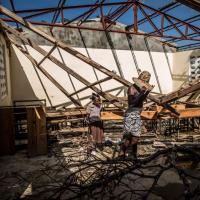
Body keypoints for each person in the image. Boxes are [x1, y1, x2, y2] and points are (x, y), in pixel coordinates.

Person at [119, 71, 153, 159]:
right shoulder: (132, 88)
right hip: (130, 114)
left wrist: (147, 92)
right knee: (130, 136)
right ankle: (123, 152)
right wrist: (142, 93)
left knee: (135, 137)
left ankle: (133, 154)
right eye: (144, 81)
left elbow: (141, 100)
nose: (145, 83)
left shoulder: (140, 88)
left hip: (137, 114)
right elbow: (131, 104)